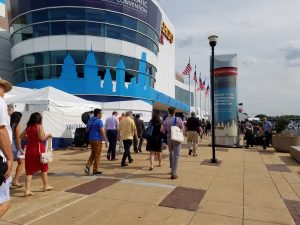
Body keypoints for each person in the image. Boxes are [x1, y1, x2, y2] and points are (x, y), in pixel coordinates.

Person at [20, 112, 53, 197]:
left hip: (29, 151)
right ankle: (45, 185)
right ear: (39, 119)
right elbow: (42, 138)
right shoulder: (39, 126)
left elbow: (21, 136)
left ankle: (27, 190)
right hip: (38, 150)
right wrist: (48, 134)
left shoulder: (28, 127)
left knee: (29, 171)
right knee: (44, 168)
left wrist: (30, 137)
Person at [0, 79, 13, 218]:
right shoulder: (0, 102)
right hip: (0, 156)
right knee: (4, 202)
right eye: (3, 88)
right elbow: (1, 130)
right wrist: (10, 157)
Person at [84, 108, 108, 175]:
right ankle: (95, 170)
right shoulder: (99, 121)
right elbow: (102, 131)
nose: (101, 115)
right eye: (101, 114)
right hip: (97, 140)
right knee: (97, 155)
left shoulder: (89, 120)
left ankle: (88, 166)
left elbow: (87, 130)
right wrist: (106, 141)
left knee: (93, 153)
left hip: (91, 139)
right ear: (98, 114)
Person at [162, 107, 183, 179]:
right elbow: (182, 128)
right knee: (176, 155)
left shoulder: (166, 120)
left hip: (169, 138)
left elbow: (163, 131)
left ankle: (172, 169)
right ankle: (174, 173)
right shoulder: (178, 119)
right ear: (175, 112)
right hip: (176, 138)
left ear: (168, 112)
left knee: (171, 153)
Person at [10, 112, 25, 188]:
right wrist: (20, 148)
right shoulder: (16, 126)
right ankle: (15, 180)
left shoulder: (8, 124)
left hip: (8, 145)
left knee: (9, 163)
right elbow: (18, 138)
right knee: (21, 162)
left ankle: (7, 181)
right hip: (15, 147)